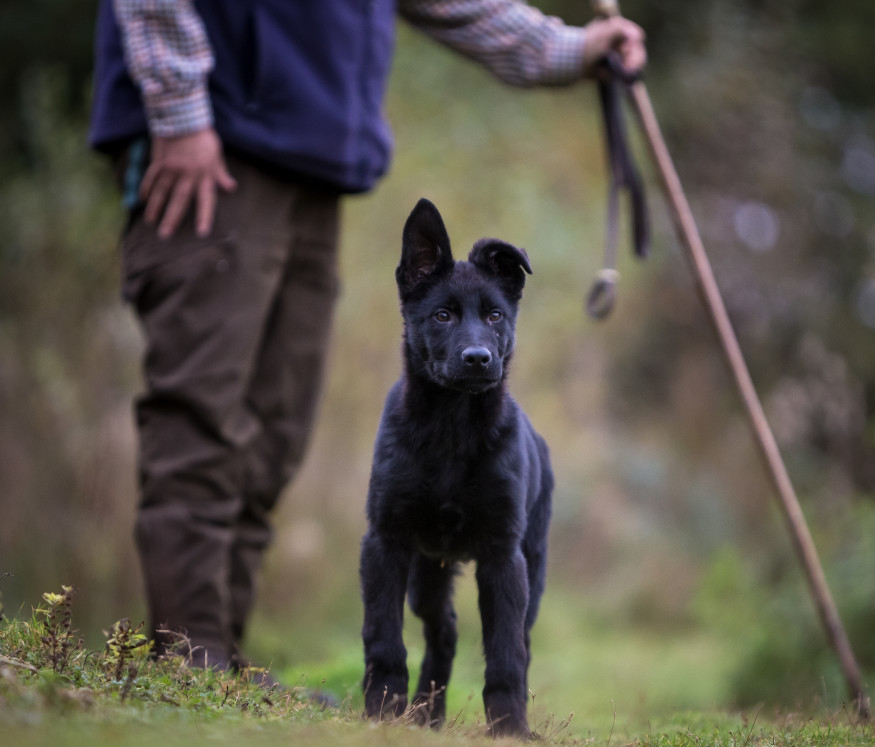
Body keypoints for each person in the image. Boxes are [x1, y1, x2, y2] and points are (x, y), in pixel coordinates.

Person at [88, 0, 645, 671]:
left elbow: (456, 6)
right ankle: (186, 660)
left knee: (273, 433)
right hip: (211, 145)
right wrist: (179, 111)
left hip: (310, 164)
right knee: (201, 419)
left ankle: (216, 664)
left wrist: (574, 49)